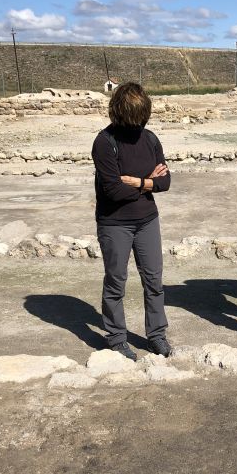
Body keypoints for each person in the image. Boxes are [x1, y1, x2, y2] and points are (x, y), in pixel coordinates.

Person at [91, 82, 172, 360]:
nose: (136, 126)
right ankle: (116, 338)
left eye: (141, 119)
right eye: (132, 119)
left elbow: (166, 182)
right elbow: (113, 191)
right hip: (114, 223)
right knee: (116, 280)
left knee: (154, 281)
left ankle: (157, 335)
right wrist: (149, 182)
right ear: (120, 113)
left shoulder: (150, 139)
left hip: (147, 220)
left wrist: (137, 181)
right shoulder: (105, 142)